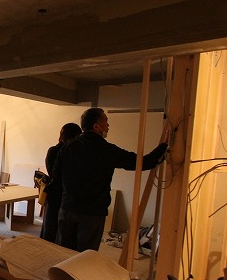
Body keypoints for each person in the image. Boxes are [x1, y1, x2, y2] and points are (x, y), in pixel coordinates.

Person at [52, 108, 168, 252]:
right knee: (84, 257)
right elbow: (140, 163)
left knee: (62, 252)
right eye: (105, 121)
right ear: (96, 126)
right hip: (92, 213)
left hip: (68, 209)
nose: (108, 125)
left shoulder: (68, 146)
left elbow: (56, 175)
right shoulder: (106, 149)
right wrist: (163, 146)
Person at [39, 122, 82, 243]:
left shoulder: (74, 152)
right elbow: (54, 174)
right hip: (56, 194)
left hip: (65, 196)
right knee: (51, 227)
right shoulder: (55, 151)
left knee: (60, 229)